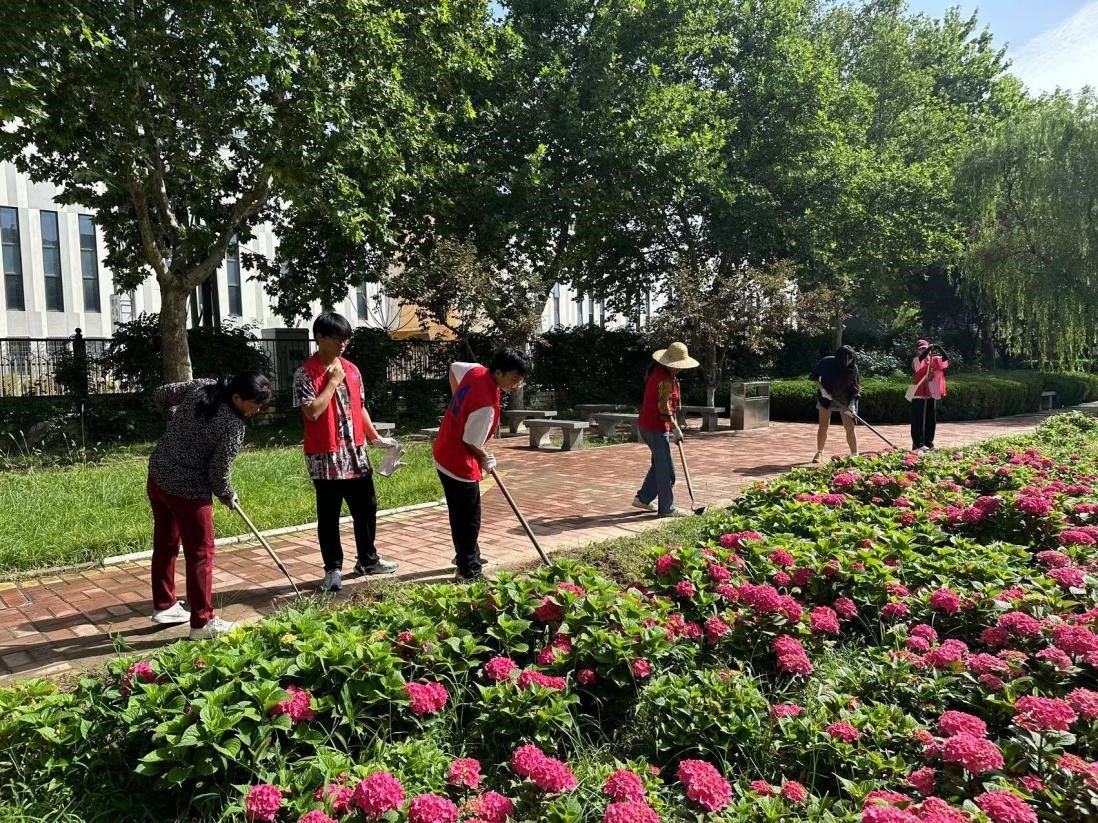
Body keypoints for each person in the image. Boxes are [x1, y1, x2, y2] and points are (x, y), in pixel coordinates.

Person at [147, 371, 272, 639]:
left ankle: (164, 605)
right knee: (201, 553)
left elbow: (161, 394)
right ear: (237, 398)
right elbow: (218, 473)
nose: (257, 410)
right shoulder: (233, 427)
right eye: (254, 404)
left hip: (158, 474)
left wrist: (174, 420)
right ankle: (202, 622)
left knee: (166, 542)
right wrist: (227, 495)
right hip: (188, 489)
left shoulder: (202, 386)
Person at [293, 312, 400, 593]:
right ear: (320, 338)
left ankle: (368, 560)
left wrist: (375, 438)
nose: (343, 344)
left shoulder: (352, 370)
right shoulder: (305, 373)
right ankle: (333, 569)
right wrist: (331, 382)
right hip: (325, 456)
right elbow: (312, 412)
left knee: (367, 507)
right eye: (337, 338)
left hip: (354, 452)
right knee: (329, 514)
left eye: (346, 339)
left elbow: (359, 407)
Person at [434, 348, 532, 581]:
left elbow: (453, 368)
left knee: (461, 514)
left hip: (444, 449)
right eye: (514, 379)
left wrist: (459, 405)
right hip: (458, 463)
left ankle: (468, 555)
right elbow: (470, 441)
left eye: (520, 380)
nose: (517, 385)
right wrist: (485, 458)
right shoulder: (485, 405)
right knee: (468, 518)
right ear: (498, 372)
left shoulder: (476, 371)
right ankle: (468, 570)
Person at [633, 341, 699, 517]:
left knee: (659, 466)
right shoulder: (664, 379)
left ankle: (643, 498)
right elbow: (664, 409)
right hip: (655, 427)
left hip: (649, 425)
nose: (681, 368)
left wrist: (673, 426)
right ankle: (667, 508)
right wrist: (676, 429)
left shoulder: (661, 373)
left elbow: (668, 406)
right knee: (667, 472)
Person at [810, 345, 861, 463]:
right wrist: (822, 390)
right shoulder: (826, 362)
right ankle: (819, 452)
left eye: (851, 358)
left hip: (844, 400)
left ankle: (855, 455)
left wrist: (852, 404)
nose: (850, 361)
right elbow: (814, 377)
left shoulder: (853, 368)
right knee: (823, 426)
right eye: (848, 358)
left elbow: (856, 389)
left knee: (850, 427)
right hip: (826, 398)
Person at [911, 339, 949, 451]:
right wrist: (928, 350)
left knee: (930, 420)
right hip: (918, 393)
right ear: (917, 351)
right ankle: (917, 444)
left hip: (931, 393)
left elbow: (945, 360)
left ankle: (929, 442)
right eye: (921, 349)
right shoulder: (916, 361)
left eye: (925, 348)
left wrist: (939, 348)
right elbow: (920, 360)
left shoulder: (934, 360)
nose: (923, 350)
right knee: (918, 420)